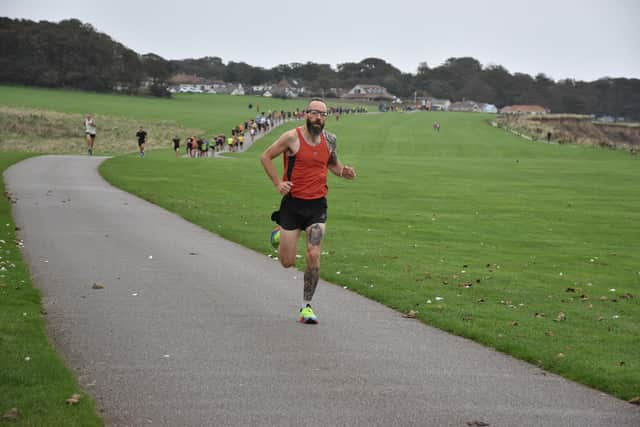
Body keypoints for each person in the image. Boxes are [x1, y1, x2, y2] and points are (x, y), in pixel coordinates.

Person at [260, 98, 356, 324]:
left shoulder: (330, 140)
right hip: (292, 205)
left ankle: (306, 306)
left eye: (323, 115)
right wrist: (278, 184)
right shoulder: (291, 137)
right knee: (287, 262)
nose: (319, 118)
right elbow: (265, 157)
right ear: (307, 114)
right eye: (315, 113)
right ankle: (279, 233)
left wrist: (344, 172)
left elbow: (332, 164)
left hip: (317, 205)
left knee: (314, 254)